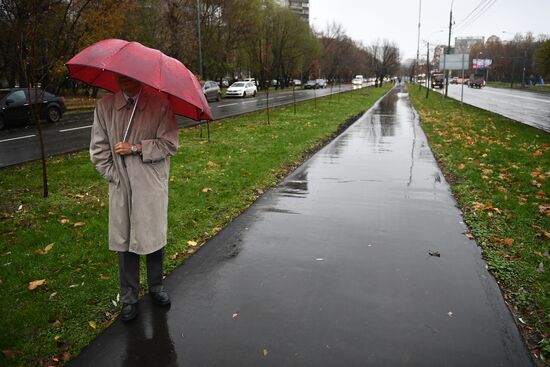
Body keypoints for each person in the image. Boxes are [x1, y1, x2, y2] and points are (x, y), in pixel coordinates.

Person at [90, 74, 179, 322]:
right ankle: (129, 298)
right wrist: (115, 176)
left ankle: (156, 287)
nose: (124, 80)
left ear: (140, 77)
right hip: (122, 187)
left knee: (153, 238)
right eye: (120, 76)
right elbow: (98, 149)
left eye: (130, 77)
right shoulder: (105, 107)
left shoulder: (160, 105)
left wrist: (136, 148)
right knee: (125, 242)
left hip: (150, 186)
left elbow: (170, 144)